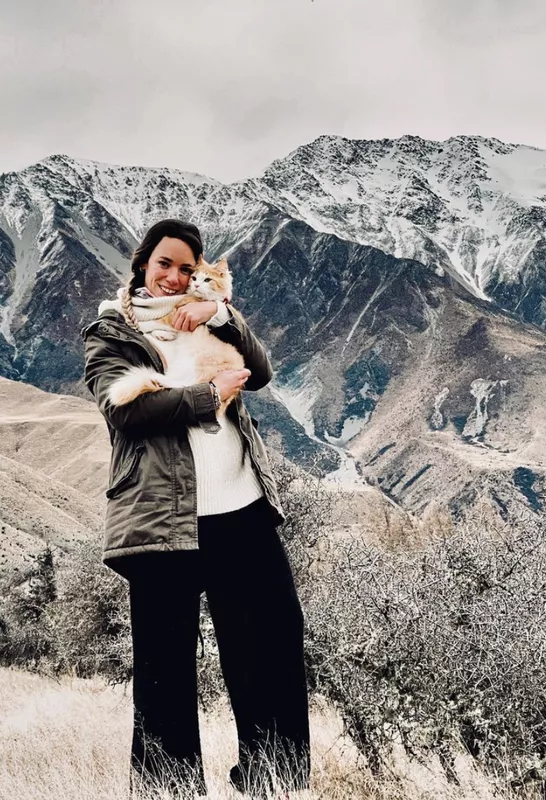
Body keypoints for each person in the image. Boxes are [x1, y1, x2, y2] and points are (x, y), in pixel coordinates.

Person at [81, 218, 310, 798]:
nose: (175, 277)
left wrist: (222, 316)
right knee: (165, 672)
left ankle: (274, 782)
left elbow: (259, 372)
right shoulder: (112, 331)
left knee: (273, 645)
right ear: (143, 264)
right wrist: (209, 396)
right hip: (163, 521)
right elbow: (126, 413)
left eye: (187, 267)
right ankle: (168, 790)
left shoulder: (209, 313)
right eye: (165, 264)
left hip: (243, 510)